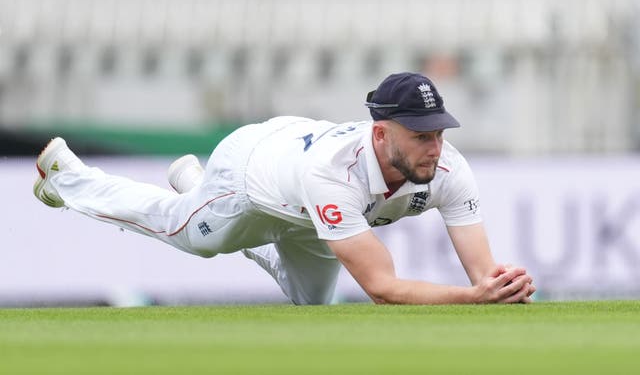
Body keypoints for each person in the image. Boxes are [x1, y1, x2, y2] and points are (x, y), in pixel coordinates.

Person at [33, 72, 535, 305]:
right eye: (421, 136)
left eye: (440, 133)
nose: (435, 148)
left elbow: (484, 273)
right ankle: (68, 175)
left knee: (313, 308)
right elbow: (383, 288)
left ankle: (193, 183)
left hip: (310, 203)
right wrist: (473, 299)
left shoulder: (448, 167)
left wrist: (501, 289)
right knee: (194, 236)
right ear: (382, 134)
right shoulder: (334, 174)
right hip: (251, 173)